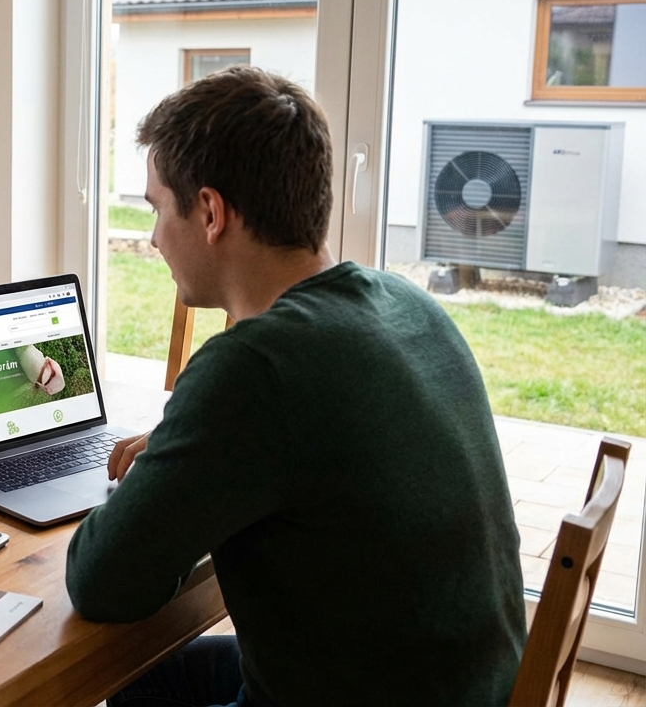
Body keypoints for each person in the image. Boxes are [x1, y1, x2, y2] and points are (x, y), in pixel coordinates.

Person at [65, 67, 526, 706]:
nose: (152, 236)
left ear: (209, 212)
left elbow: (103, 582)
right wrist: (191, 452)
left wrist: (168, 474)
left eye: (155, 207)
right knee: (148, 678)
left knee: (115, 682)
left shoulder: (255, 367)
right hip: (462, 685)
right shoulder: (407, 304)